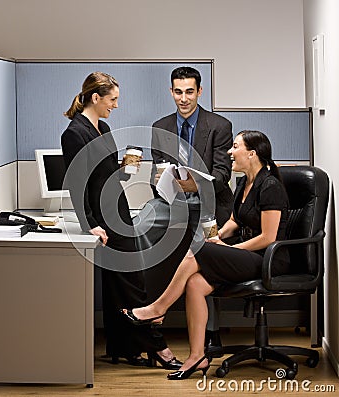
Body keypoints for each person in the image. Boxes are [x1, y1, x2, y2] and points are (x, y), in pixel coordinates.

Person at [122, 130, 290, 379]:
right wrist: (219, 237)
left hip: (269, 260)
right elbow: (235, 219)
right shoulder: (244, 182)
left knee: (199, 248)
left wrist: (229, 250)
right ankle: (196, 357)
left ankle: (157, 309)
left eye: (235, 147)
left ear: (252, 154)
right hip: (248, 255)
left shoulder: (271, 186)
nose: (230, 153)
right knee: (195, 283)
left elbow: (268, 238)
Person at [61, 72, 181, 369]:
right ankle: (157, 347)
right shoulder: (75, 133)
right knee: (133, 283)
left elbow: (101, 172)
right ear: (95, 97)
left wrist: (124, 169)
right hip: (104, 217)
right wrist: (90, 223)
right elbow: (77, 184)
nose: (115, 105)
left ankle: (122, 347)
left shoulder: (103, 127)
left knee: (118, 283)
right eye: (112, 99)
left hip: (119, 210)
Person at [134, 66, 233, 354]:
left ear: (200, 91)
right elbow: (161, 170)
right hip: (173, 202)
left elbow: (222, 174)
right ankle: (151, 326)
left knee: (207, 252)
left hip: (209, 205)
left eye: (190, 91)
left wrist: (194, 186)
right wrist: (158, 180)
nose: (184, 98)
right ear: (171, 92)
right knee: (141, 230)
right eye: (178, 92)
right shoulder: (160, 127)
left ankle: (211, 330)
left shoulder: (220, 126)